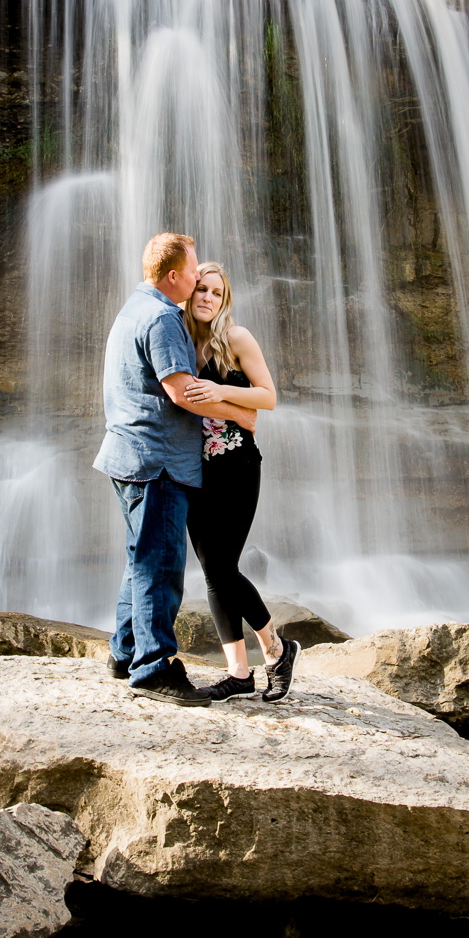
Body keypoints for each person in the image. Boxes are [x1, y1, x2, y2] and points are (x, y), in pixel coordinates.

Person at [94, 233, 258, 707]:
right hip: (158, 460)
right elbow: (182, 392)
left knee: (140, 557)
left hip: (127, 454)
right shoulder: (164, 318)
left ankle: (125, 652)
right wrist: (240, 412)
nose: (197, 279)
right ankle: (154, 667)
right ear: (173, 276)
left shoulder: (134, 307)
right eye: (192, 272)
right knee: (162, 564)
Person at [183, 261, 300, 703]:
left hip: (235, 467)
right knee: (212, 575)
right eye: (201, 291)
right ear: (189, 297)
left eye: (216, 292)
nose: (208, 298)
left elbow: (267, 397)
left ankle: (277, 648)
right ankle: (238, 673)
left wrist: (221, 393)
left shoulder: (235, 338)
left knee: (224, 568)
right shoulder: (181, 344)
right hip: (194, 470)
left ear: (224, 298)